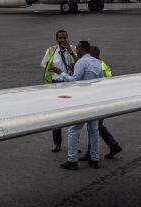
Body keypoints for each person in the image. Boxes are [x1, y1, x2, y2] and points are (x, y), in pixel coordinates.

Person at [51, 40, 103, 170]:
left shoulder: (81, 62)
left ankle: (72, 160)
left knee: (73, 130)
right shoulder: (97, 62)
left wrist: (61, 72)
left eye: (78, 48)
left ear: (84, 49)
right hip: (95, 99)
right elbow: (101, 80)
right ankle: (94, 159)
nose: (76, 51)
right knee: (94, 130)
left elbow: (74, 80)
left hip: (83, 101)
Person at [77, 46, 123, 161]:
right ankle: (113, 145)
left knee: (93, 126)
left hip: (97, 99)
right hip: (103, 98)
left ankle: (91, 153)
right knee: (98, 126)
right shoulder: (102, 64)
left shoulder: (96, 65)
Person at [40, 29, 77, 152]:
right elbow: (45, 67)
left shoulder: (73, 49)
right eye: (60, 38)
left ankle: (74, 144)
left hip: (69, 84)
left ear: (67, 38)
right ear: (56, 39)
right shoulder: (51, 50)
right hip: (55, 85)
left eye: (64, 38)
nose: (62, 40)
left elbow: (79, 64)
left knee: (72, 115)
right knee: (56, 115)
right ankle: (57, 143)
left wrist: (70, 52)